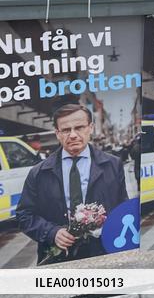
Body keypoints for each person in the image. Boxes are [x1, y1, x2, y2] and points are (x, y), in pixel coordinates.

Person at [16, 104, 128, 263]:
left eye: (79, 127)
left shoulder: (113, 165)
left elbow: (122, 210)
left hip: (104, 254)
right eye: (66, 130)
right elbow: (24, 215)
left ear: (91, 128)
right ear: (57, 133)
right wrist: (52, 233)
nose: (73, 135)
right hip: (58, 257)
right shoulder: (39, 172)